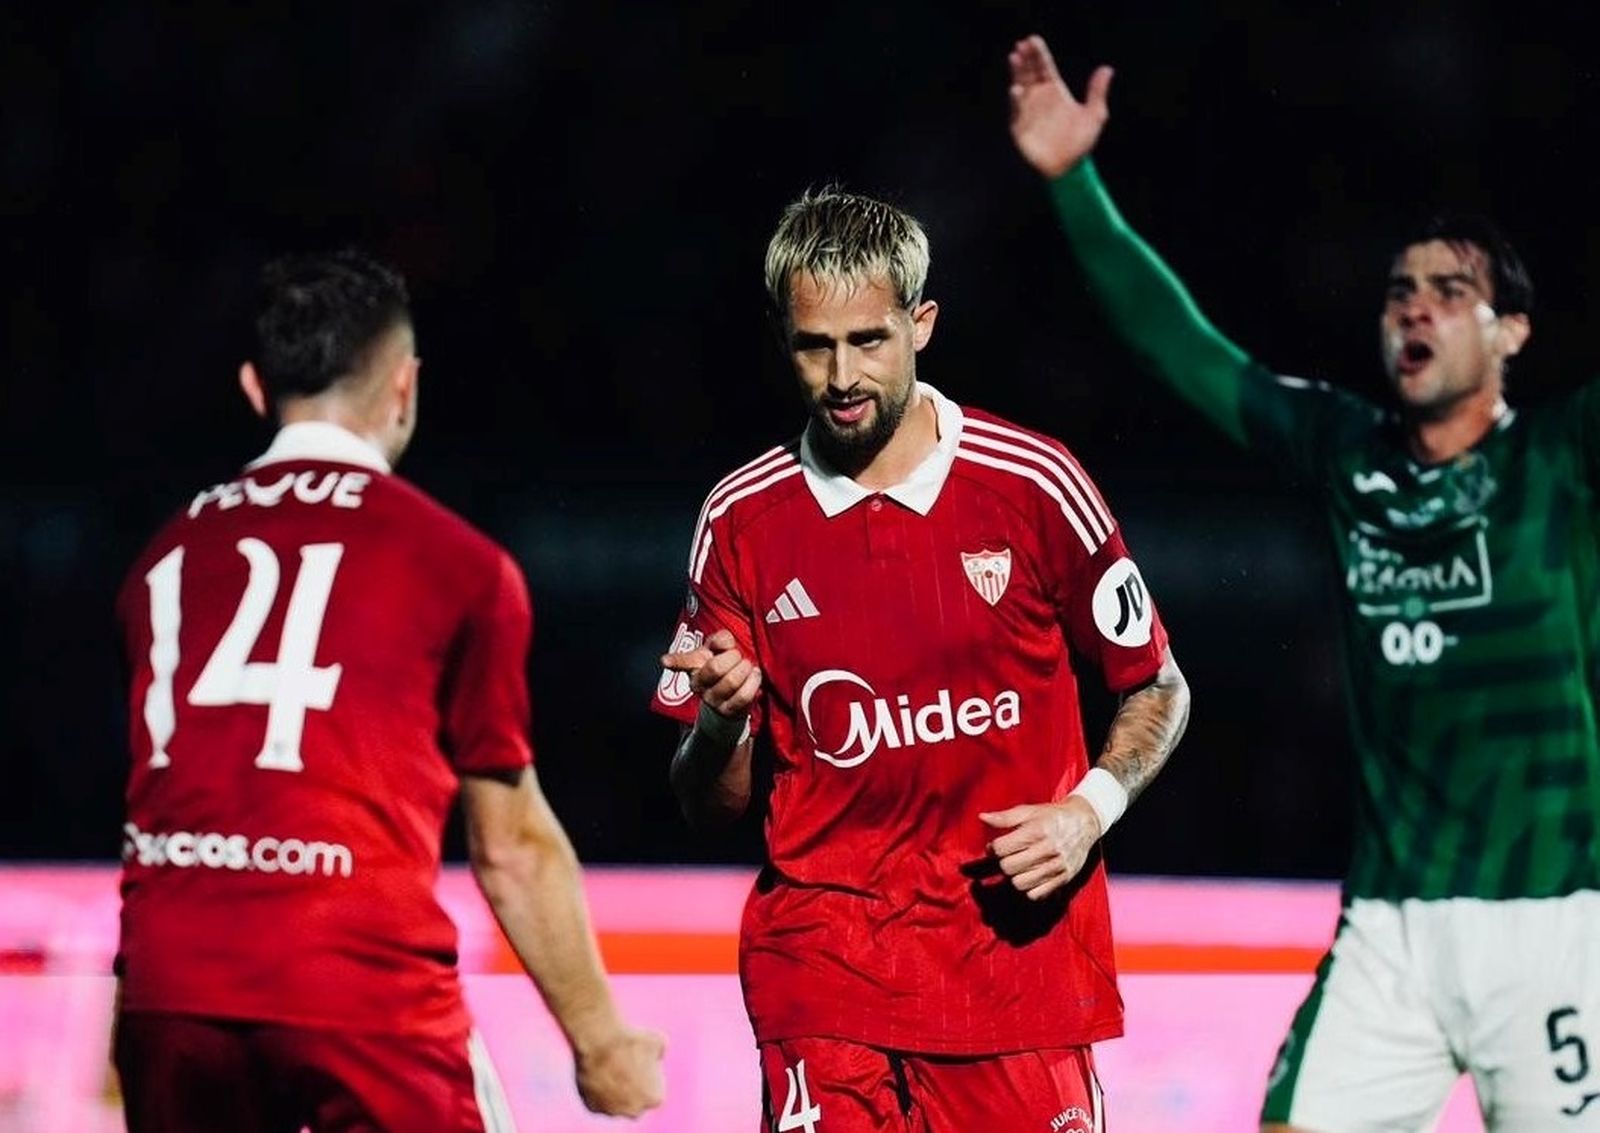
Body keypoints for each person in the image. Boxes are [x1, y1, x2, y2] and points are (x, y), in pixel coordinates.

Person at [1007, 32, 1600, 1131]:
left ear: (1511, 330)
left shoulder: (1561, 462)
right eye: (1399, 290)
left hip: (1556, 921)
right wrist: (1075, 184)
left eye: (1449, 291)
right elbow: (1184, 351)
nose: (1412, 307)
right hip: (1393, 928)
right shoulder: (1347, 453)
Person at [652, 186, 1190, 1131]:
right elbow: (709, 802)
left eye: (870, 340)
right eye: (815, 346)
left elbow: (1155, 685)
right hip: (824, 965)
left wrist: (1084, 813)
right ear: (784, 341)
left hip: (1013, 964)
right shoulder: (737, 521)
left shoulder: (1033, 484)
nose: (842, 376)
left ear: (922, 324)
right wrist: (723, 722)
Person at [113, 249, 665, 1132]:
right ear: (404, 386)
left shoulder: (163, 556)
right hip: (357, 988)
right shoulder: (458, 565)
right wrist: (601, 1041)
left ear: (256, 390)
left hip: (169, 992)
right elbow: (511, 844)